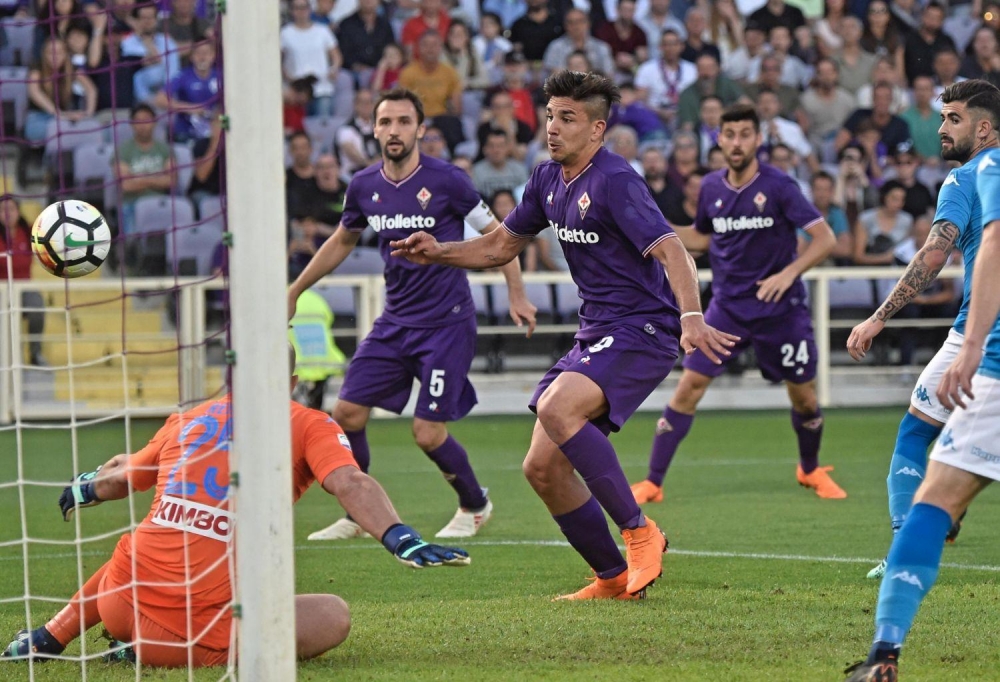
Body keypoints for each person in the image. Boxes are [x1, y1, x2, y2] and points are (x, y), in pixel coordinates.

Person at [390, 71, 737, 600]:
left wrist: (692, 316)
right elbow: (499, 246)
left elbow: (672, 250)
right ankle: (613, 578)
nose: (552, 127)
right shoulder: (545, 179)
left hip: (643, 328)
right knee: (541, 469)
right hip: (596, 331)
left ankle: (641, 532)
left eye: (567, 118)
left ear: (597, 129)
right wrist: (439, 251)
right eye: (550, 115)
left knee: (557, 408)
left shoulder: (616, 180)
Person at [0, 347, 469, 666]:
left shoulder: (187, 418)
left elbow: (124, 477)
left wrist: (85, 487)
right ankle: (145, 650)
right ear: (291, 381)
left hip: (118, 602)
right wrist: (399, 536)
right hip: (190, 630)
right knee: (333, 615)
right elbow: (349, 481)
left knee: (152, 537)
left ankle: (51, 635)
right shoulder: (307, 422)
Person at [288, 88, 537, 541]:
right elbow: (342, 240)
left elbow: (501, 237)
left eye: (404, 121)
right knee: (346, 414)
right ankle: (359, 513)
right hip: (395, 321)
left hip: (446, 323)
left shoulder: (449, 180)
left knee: (427, 432)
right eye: (386, 122)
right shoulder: (363, 185)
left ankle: (474, 504)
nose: (394, 130)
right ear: (374, 129)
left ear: (420, 129)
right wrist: (296, 288)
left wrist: (516, 294)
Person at [842, 113, 1000, 682]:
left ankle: (885, 652)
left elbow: (938, 254)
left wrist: (879, 318)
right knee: (919, 430)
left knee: (931, 495)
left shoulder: (973, 174)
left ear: (986, 128)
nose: (942, 129)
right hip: (976, 341)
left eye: (954, 119)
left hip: (984, 346)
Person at [631, 103, 845, 504]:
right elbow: (702, 239)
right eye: (729, 135)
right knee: (688, 388)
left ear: (758, 139)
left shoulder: (779, 186)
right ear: (719, 139)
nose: (736, 143)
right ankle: (653, 482)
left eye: (745, 134)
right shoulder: (712, 187)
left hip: (781, 311)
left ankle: (810, 469)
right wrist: (652, 227)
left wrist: (788, 273)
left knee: (804, 396)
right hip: (727, 310)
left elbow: (825, 238)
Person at [0, 195, 45, 366]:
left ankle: (35, 353)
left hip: (24, 288)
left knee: (37, 308)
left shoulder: (27, 231)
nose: (7, 214)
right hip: (1, 289)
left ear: (18, 212)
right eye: (2, 210)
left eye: (11, 209)